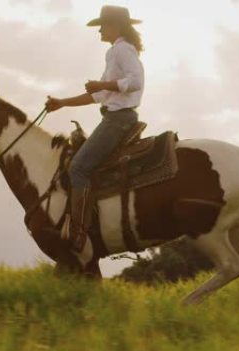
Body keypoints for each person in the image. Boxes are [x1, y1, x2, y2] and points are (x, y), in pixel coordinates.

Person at [45, 5, 145, 253]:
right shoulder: (115, 52)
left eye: (103, 25)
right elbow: (99, 95)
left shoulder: (122, 49)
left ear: (115, 26)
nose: (100, 30)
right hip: (114, 118)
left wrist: (102, 83)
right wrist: (63, 103)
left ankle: (80, 232)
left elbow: (136, 82)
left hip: (118, 120)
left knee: (78, 167)